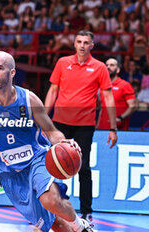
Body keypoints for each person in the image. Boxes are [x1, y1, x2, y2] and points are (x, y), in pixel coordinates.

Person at [0, 51, 94, 232]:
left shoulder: (29, 99)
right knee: (55, 224)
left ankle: (81, 226)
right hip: (8, 173)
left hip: (37, 160)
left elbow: (51, 132)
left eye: (0, 69)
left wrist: (64, 143)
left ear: (12, 73)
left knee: (50, 200)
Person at [44, 30, 117, 226]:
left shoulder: (100, 67)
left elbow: (108, 97)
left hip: (84, 125)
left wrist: (113, 127)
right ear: (74, 44)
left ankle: (86, 212)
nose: (82, 45)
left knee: (83, 168)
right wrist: (43, 120)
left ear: (92, 45)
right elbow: (53, 91)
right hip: (59, 123)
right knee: (51, 167)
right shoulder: (62, 63)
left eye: (86, 42)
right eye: (79, 42)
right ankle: (49, 209)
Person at [97, 58, 137, 130]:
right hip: (102, 128)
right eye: (106, 65)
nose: (108, 67)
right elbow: (102, 108)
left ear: (118, 70)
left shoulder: (125, 85)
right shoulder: (102, 85)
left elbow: (133, 106)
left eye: (112, 65)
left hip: (119, 129)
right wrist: (98, 126)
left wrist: (120, 118)